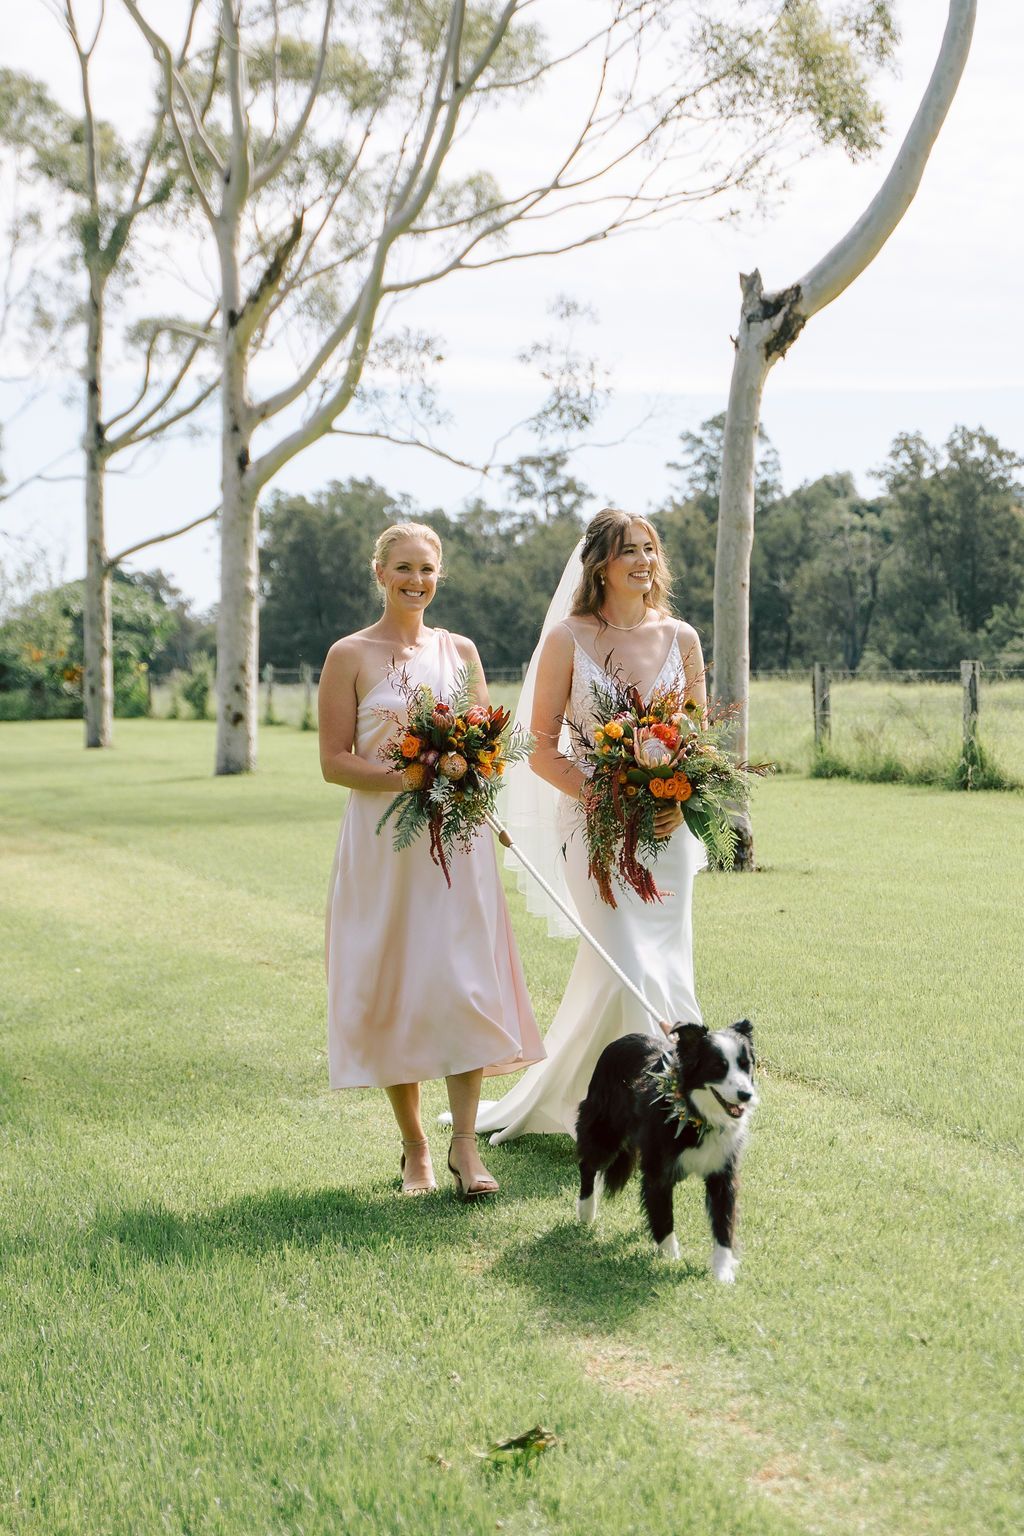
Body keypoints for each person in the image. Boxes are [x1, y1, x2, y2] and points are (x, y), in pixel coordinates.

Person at [319, 522, 544, 1196]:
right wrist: (410, 780)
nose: (417, 580)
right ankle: (415, 1147)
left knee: (463, 984)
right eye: (404, 568)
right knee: (401, 989)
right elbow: (334, 762)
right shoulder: (348, 655)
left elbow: (487, 745)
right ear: (380, 571)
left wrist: (471, 769)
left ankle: (466, 1148)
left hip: (459, 844)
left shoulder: (460, 651)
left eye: (428, 568)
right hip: (383, 844)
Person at [474, 507, 706, 1145]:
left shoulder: (682, 637)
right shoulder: (567, 639)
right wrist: (604, 796)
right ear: (599, 564)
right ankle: (659, 1108)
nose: (643, 561)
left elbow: (698, 741)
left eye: (650, 549)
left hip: (665, 835)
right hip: (594, 831)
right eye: (628, 550)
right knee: (625, 959)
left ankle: (607, 1102)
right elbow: (541, 748)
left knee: (658, 965)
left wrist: (677, 797)